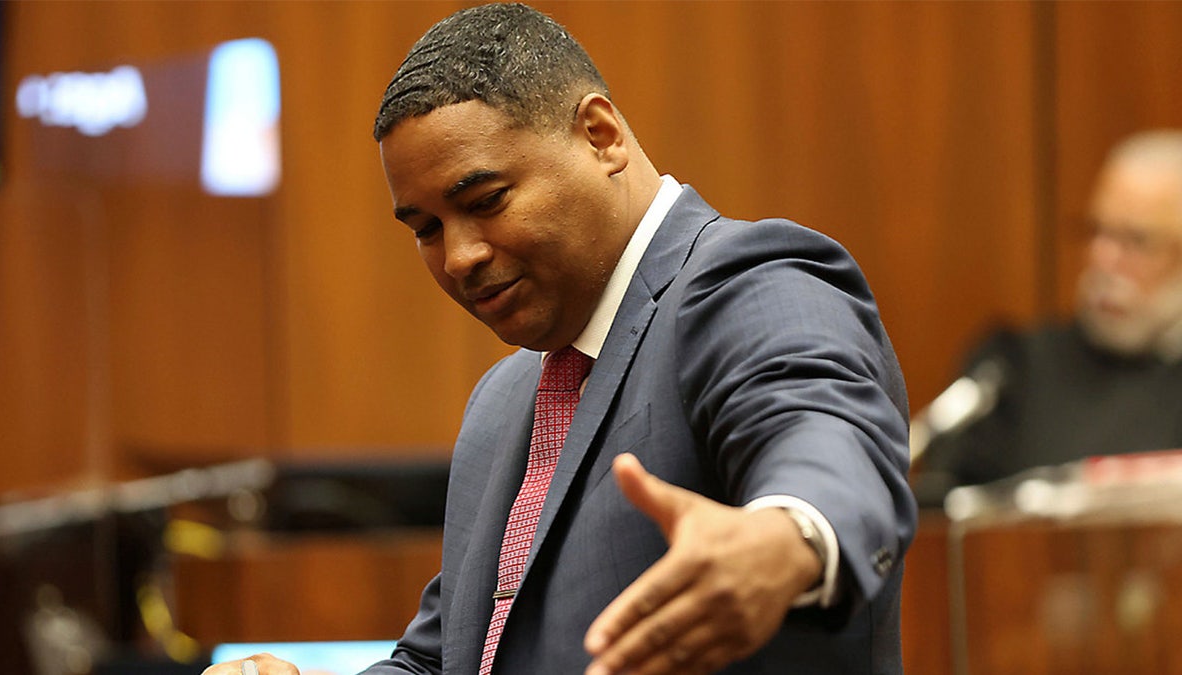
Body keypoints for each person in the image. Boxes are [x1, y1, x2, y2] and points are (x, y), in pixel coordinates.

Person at [204, 3, 915, 674]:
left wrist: (786, 536)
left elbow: (827, 439)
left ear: (600, 136)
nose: (458, 257)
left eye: (485, 202)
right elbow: (447, 661)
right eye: (425, 228)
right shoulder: (504, 401)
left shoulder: (744, 280)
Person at [916, 129, 1182, 501]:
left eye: (1136, 241)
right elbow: (944, 508)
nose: (1103, 260)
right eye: (1097, 232)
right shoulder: (1013, 369)